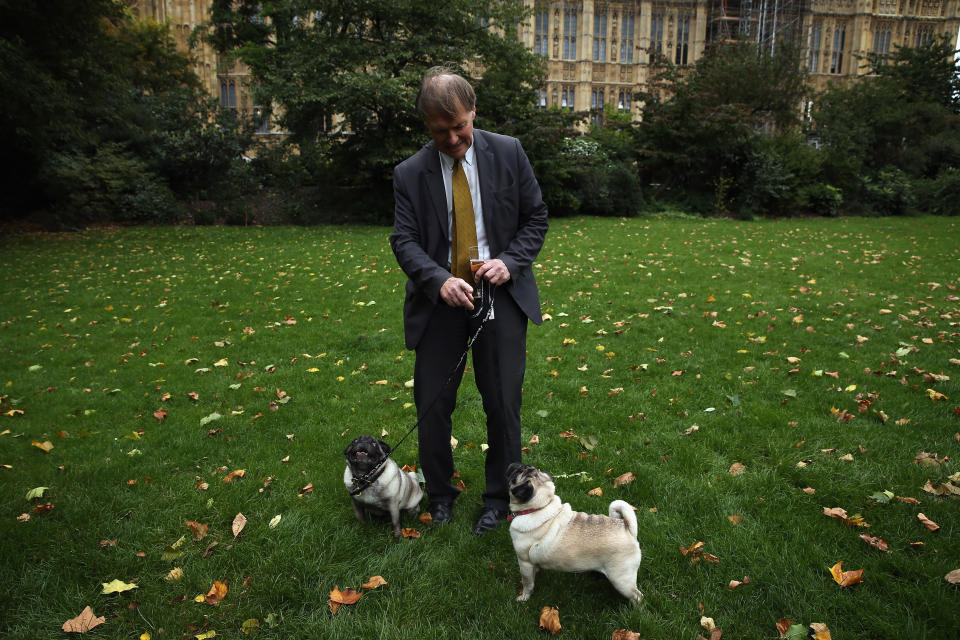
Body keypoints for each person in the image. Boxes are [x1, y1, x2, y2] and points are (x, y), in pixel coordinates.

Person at [390, 67, 548, 535]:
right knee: (432, 401)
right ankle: (439, 494)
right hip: (441, 300)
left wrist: (511, 262)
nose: (455, 139)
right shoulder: (410, 173)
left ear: (473, 112)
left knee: (502, 402)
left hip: (497, 293)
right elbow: (404, 240)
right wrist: (437, 279)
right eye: (442, 132)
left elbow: (535, 217)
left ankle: (501, 498)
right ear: (427, 127)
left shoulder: (508, 152)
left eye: (461, 126)